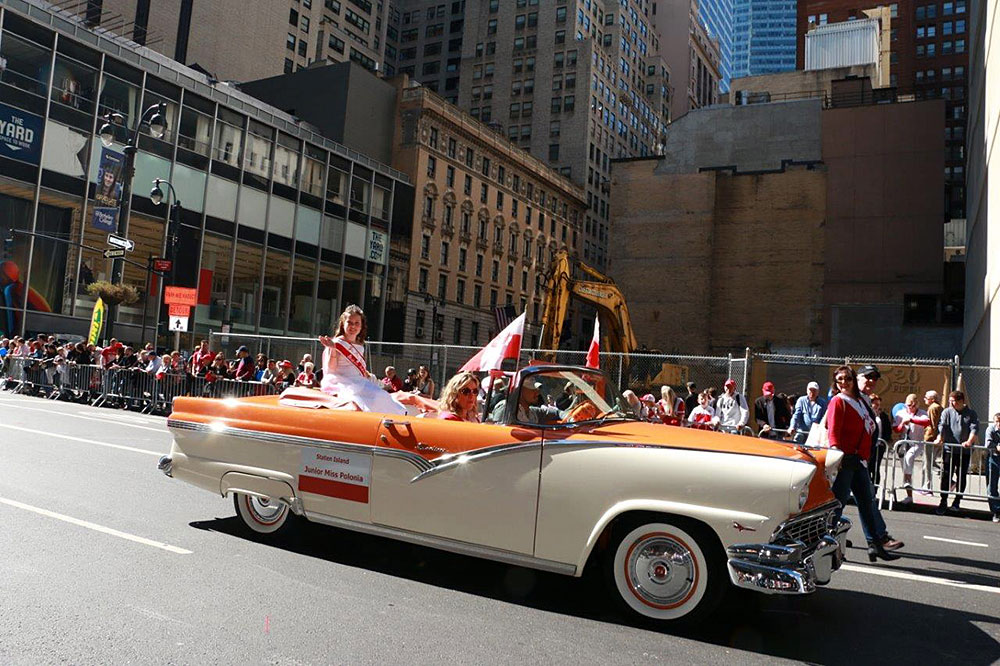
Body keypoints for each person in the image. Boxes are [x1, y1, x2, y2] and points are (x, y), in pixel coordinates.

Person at [827, 365, 904, 562]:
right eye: (839, 380)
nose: (844, 383)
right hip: (845, 460)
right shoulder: (838, 401)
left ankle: (875, 545)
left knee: (867, 502)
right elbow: (833, 430)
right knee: (838, 503)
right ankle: (826, 546)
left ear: (853, 380)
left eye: (847, 379)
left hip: (859, 460)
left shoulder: (860, 401)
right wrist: (836, 455)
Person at [318, 304, 406, 415]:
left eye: (357, 323)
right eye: (349, 322)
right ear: (343, 323)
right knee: (357, 401)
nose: (353, 326)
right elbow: (331, 368)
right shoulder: (336, 343)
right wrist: (333, 349)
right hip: (342, 382)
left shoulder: (360, 345)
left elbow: (360, 369)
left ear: (361, 326)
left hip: (359, 381)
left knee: (382, 396)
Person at [934, 390, 979, 515]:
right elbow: (942, 426)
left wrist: (969, 441)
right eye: (950, 401)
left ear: (961, 401)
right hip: (949, 449)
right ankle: (943, 501)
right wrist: (940, 437)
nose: (951, 404)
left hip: (964, 451)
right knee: (946, 474)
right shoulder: (947, 412)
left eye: (953, 401)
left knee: (961, 475)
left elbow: (974, 429)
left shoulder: (971, 414)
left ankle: (957, 500)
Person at [893, 393, 930, 505]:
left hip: (916, 443)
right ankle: (909, 495)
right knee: (905, 467)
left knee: (909, 458)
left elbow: (926, 422)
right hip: (903, 443)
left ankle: (908, 482)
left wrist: (912, 420)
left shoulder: (922, 413)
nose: (911, 407)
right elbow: (896, 429)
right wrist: (902, 424)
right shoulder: (901, 413)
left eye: (914, 405)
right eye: (909, 405)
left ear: (917, 404)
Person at [405, 371, 482, 422]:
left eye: (475, 391)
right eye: (466, 391)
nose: (472, 396)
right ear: (454, 394)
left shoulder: (474, 419)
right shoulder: (449, 419)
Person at [867, 393, 892, 486]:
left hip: (879, 445)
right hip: (869, 445)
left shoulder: (883, 416)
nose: (877, 406)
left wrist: (885, 440)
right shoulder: (867, 414)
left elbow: (888, 429)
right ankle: (867, 488)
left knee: (876, 467)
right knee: (867, 467)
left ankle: (875, 489)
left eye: (879, 404)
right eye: (875, 404)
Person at [922, 390, 944, 493]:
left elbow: (933, 424)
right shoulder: (939, 407)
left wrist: (933, 437)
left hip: (931, 438)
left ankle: (928, 486)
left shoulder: (933, 408)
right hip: (935, 438)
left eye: (926, 398)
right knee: (928, 462)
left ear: (932, 399)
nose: (924, 399)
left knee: (928, 463)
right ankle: (926, 485)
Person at [985, 412, 1000, 523]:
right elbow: (988, 444)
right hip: (993, 458)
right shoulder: (990, 429)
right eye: (997, 421)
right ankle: (996, 511)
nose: (999, 424)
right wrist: (997, 447)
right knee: (992, 486)